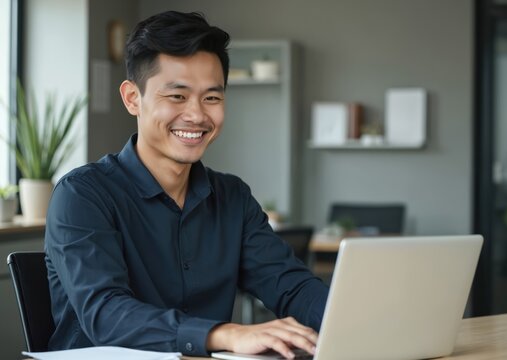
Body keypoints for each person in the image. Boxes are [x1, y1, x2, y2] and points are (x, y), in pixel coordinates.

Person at [45, 10, 329, 359]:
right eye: (177, 96)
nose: (197, 115)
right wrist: (224, 333)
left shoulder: (232, 198)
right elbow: (106, 314)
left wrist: (355, 319)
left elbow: (291, 287)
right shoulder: (82, 195)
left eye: (212, 97)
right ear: (133, 97)